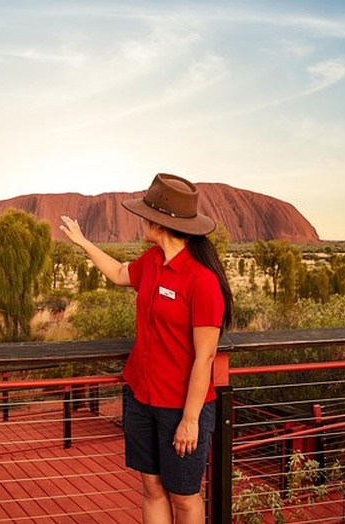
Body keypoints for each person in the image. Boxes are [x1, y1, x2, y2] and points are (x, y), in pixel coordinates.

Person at [60, 173, 234, 524]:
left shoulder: (202, 281)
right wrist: (83, 242)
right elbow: (120, 273)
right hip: (141, 397)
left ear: (162, 222)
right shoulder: (153, 261)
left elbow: (206, 357)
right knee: (152, 489)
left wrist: (190, 419)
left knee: (184, 498)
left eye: (146, 214)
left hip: (180, 407)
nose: (140, 219)